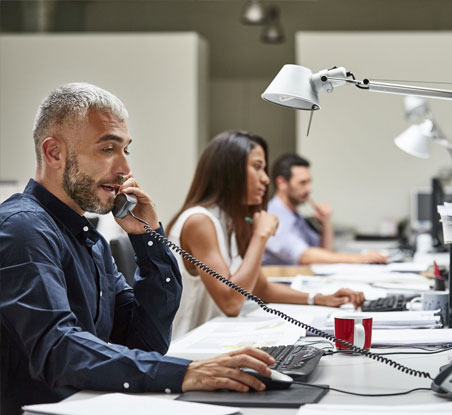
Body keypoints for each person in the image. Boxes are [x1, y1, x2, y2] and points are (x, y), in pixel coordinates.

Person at [0, 83, 276, 414]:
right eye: (107, 150)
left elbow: (146, 342)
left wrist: (149, 238)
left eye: (125, 150)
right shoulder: (24, 229)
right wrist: (185, 373)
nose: (124, 170)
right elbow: (58, 350)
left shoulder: (90, 241)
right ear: (54, 153)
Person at [166, 131, 365, 338]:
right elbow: (231, 302)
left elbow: (262, 289)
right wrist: (260, 236)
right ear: (230, 170)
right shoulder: (199, 221)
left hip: (215, 339)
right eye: (257, 167)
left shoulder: (231, 220)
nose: (265, 179)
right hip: (189, 349)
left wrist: (320, 298)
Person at [262, 154, 388, 265]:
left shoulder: (295, 215)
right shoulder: (273, 214)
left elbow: (325, 254)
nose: (309, 189)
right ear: (281, 183)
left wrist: (326, 223)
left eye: (309, 182)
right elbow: (304, 255)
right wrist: (359, 258)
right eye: (302, 183)